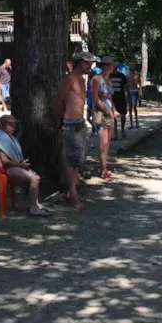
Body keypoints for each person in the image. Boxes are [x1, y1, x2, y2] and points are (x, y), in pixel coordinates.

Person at [52, 52, 97, 209]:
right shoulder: (69, 78)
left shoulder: (82, 80)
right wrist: (61, 119)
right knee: (72, 160)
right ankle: (72, 194)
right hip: (70, 124)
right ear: (79, 62)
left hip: (80, 123)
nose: (90, 66)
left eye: (91, 63)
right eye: (87, 63)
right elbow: (57, 101)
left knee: (78, 160)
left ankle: (72, 191)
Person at [0, 114, 48, 217]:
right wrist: (20, 165)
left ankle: (36, 204)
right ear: (3, 125)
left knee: (36, 177)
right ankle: (34, 208)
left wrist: (25, 167)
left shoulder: (9, 137)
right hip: (6, 169)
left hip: (15, 166)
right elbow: (4, 161)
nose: (13, 127)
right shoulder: (1, 139)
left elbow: (16, 155)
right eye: (11, 125)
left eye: (14, 125)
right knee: (34, 179)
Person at [92, 56, 119, 180]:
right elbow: (95, 98)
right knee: (103, 141)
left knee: (107, 141)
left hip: (109, 113)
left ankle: (104, 168)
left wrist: (114, 110)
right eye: (107, 65)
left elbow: (110, 97)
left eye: (111, 65)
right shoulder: (96, 79)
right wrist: (107, 111)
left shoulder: (109, 81)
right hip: (100, 112)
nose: (109, 67)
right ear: (101, 66)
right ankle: (102, 170)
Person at [109, 61, 129, 141]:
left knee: (122, 114)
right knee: (113, 116)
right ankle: (116, 134)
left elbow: (126, 87)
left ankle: (123, 129)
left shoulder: (121, 76)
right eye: (112, 67)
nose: (113, 68)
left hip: (121, 97)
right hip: (112, 98)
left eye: (115, 67)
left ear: (117, 67)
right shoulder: (109, 76)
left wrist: (129, 96)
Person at [126, 63, 141, 129]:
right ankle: (131, 123)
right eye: (130, 66)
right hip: (129, 92)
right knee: (130, 107)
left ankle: (137, 122)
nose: (131, 67)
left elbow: (139, 84)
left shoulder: (137, 75)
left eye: (133, 66)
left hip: (135, 91)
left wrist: (140, 92)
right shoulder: (127, 75)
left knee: (134, 106)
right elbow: (125, 85)